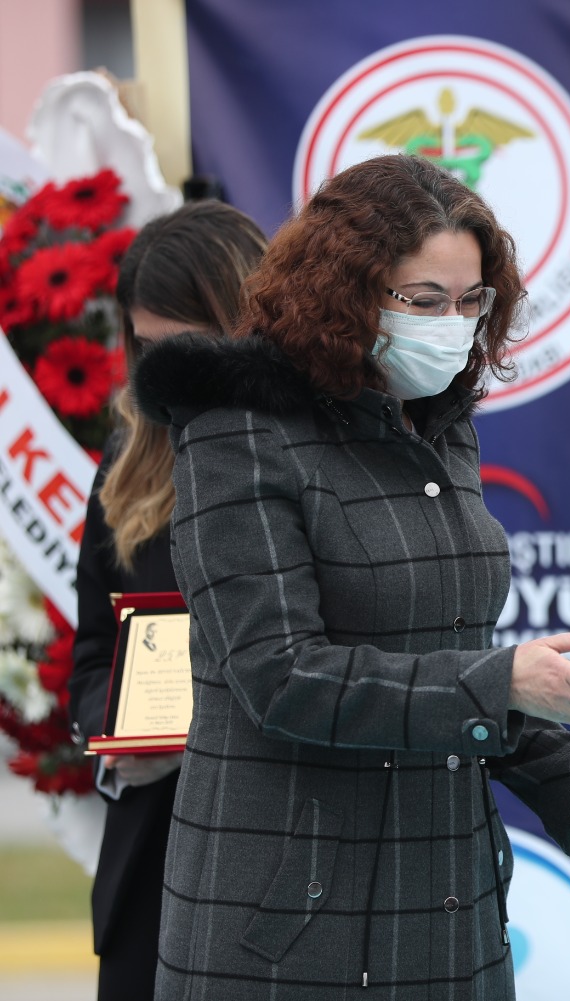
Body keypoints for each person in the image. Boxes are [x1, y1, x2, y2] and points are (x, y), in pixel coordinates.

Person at [132, 154, 570, 1001]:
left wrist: (560, 768)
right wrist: (498, 681)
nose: (454, 324)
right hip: (292, 927)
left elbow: (437, 656)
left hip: (447, 904)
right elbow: (280, 676)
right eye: (425, 300)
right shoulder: (238, 430)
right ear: (344, 291)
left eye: (471, 300)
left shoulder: (440, 426)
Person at [68, 199, 268, 1001]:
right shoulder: (128, 460)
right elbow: (92, 653)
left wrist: (212, 728)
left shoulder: (321, 455)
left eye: (187, 347)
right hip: (150, 872)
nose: (165, 375)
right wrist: (119, 738)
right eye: (146, 348)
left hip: (282, 871)